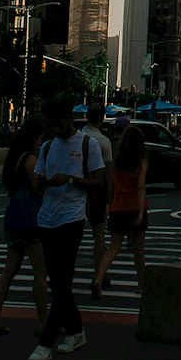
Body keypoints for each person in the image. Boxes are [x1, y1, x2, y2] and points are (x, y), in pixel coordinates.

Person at [28, 97, 104, 360]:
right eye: (51, 125)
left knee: (63, 280)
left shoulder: (87, 144)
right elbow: (37, 183)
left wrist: (70, 179)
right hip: (47, 216)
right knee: (58, 282)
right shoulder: (48, 147)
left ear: (70, 119)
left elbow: (99, 180)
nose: (55, 129)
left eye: (59, 124)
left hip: (72, 217)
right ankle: (76, 330)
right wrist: (42, 182)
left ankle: (46, 342)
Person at [0, 117, 47, 337]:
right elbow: (38, 189)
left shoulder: (14, 158)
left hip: (13, 220)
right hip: (30, 220)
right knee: (40, 272)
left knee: (8, 270)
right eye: (40, 138)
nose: (40, 142)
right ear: (34, 138)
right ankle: (43, 321)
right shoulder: (30, 160)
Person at [91, 124, 148, 297]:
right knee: (138, 250)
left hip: (118, 205)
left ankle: (98, 279)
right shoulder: (141, 161)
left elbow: (112, 186)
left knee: (113, 247)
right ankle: (141, 284)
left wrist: (109, 204)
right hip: (134, 204)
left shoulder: (117, 161)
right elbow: (140, 186)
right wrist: (140, 211)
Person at [78, 101, 113, 285]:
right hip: (96, 193)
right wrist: (110, 196)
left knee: (70, 237)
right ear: (102, 118)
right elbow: (108, 172)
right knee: (99, 237)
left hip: (75, 191)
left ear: (86, 117)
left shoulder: (77, 137)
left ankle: (60, 274)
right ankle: (98, 275)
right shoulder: (103, 142)